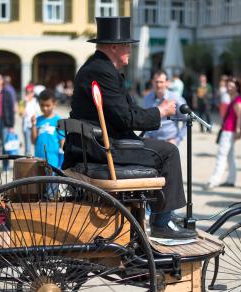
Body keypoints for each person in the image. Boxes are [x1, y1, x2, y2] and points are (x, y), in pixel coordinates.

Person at [64, 17, 196, 239]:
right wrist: (160, 112)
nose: (130, 50)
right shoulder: (102, 71)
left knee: (159, 148)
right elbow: (125, 118)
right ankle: (162, 223)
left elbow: (126, 111)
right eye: (127, 45)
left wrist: (152, 113)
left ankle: (149, 220)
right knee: (169, 152)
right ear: (114, 47)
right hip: (104, 148)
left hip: (92, 145)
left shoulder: (96, 67)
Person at [205, 77, 241, 190]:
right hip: (228, 130)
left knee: (221, 155)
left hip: (229, 131)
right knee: (229, 156)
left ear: (237, 87)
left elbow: (240, 116)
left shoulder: (237, 100)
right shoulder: (234, 99)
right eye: (228, 85)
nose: (229, 87)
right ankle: (231, 179)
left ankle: (214, 180)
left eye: (232, 86)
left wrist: (238, 130)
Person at [142, 70, 187, 146]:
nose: (158, 85)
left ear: (167, 83)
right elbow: (145, 121)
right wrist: (147, 136)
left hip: (170, 143)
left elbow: (187, 121)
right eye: (156, 82)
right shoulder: (147, 99)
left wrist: (177, 140)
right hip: (152, 143)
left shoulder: (176, 99)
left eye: (161, 82)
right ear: (152, 82)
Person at [31, 89, 64, 168]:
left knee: (52, 180)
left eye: (48, 105)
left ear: (54, 104)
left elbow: (62, 142)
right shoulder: (37, 120)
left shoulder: (58, 121)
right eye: (42, 105)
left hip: (53, 160)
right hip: (38, 158)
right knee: (39, 180)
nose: (45, 108)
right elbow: (33, 141)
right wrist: (33, 125)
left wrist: (62, 161)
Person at [22, 84, 40, 156]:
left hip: (35, 126)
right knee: (28, 147)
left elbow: (39, 113)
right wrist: (25, 103)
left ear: (33, 93)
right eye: (27, 92)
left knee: (36, 145)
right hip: (26, 126)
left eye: (30, 92)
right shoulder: (23, 101)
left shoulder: (36, 101)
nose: (28, 94)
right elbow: (21, 114)